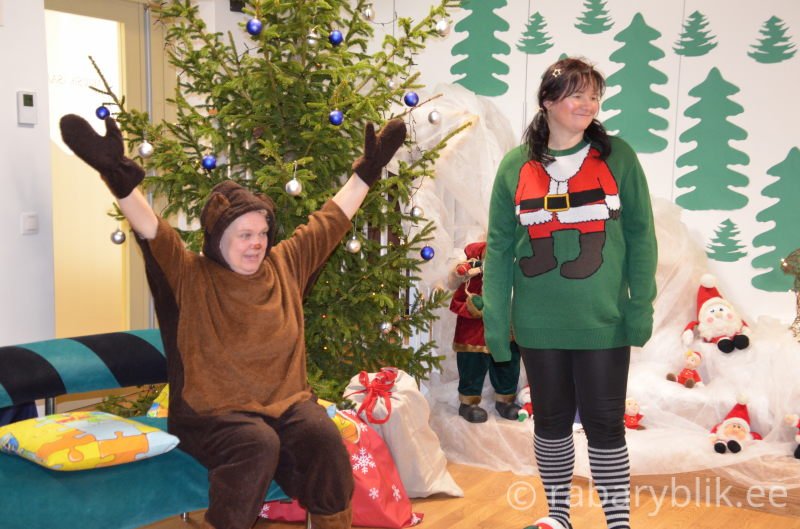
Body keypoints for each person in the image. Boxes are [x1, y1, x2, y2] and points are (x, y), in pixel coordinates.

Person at [59, 113, 407, 529]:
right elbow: (152, 231)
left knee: (324, 439)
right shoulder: (189, 275)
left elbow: (330, 221)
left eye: (262, 233)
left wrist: (367, 174)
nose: (257, 243)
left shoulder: (285, 265)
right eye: (245, 234)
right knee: (256, 444)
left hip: (287, 406)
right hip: (211, 415)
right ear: (219, 237)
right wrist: (118, 179)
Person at [482, 57, 657, 529]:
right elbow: (498, 249)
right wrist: (496, 322)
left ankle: (617, 522)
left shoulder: (617, 157)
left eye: (594, 95)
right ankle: (558, 516)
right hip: (539, 323)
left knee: (606, 426)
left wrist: (639, 305)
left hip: (602, 320)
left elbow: (641, 236)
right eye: (577, 94)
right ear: (548, 101)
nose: (588, 104)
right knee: (550, 424)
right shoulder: (516, 166)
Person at [449, 240, 521, 423]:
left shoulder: (513, 280)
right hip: (474, 334)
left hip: (506, 331)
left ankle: (505, 401)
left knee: (508, 365)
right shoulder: (473, 280)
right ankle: (468, 403)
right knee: (472, 367)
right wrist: (472, 308)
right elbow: (456, 303)